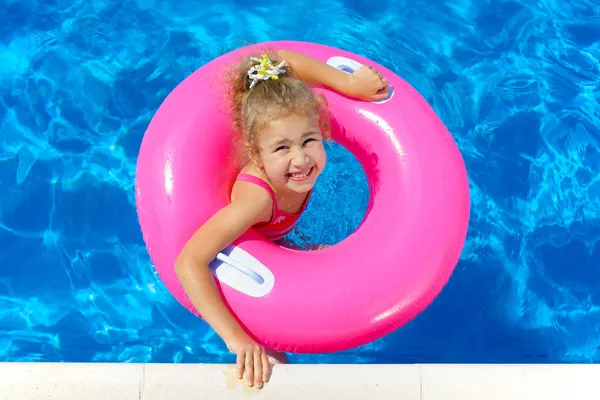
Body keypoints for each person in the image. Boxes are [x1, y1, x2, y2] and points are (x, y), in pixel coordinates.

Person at [174, 47, 388, 389]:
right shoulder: (256, 201)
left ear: (323, 132)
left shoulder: (296, 164)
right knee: (274, 367)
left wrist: (346, 84)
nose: (301, 160)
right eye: (282, 148)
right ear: (256, 154)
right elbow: (189, 261)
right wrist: (236, 340)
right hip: (248, 255)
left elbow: (281, 61)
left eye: (309, 140)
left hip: (277, 238)